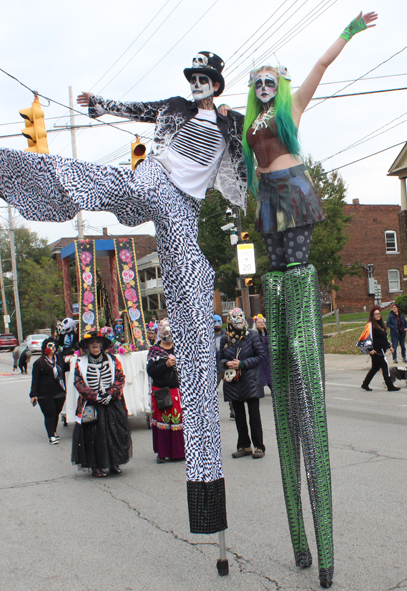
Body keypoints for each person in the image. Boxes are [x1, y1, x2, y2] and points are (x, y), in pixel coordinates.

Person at [0, 50, 247, 534]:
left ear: (216, 84)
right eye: (192, 77)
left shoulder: (232, 124)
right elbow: (140, 110)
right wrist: (100, 104)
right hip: (152, 177)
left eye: (204, 78)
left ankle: (205, 486)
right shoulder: (174, 106)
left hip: (182, 204)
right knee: (106, 181)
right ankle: (4, 172)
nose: (196, 84)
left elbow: (261, 139)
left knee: (189, 286)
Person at [222, 12, 377, 588]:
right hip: (273, 227)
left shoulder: (289, 111)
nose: (265, 87)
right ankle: (301, 543)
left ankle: (325, 549)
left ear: (278, 86)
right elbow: (199, 118)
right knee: (281, 269)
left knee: (295, 272)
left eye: (271, 80)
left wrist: (351, 30)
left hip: (294, 198)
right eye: (257, 81)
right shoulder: (246, 126)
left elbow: (319, 65)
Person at [71, 331, 131, 477]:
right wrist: (94, 396)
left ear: (103, 345)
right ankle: (96, 466)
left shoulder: (113, 360)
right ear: (87, 346)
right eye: (91, 342)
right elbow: (78, 383)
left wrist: (111, 394)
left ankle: (114, 462)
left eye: (97, 342)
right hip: (92, 405)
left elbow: (120, 378)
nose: (95, 344)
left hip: (112, 403)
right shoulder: (81, 362)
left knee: (115, 433)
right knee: (94, 437)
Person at [218, 308, 265, 459]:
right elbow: (219, 359)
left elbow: (260, 356)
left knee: (254, 415)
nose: (238, 319)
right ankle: (244, 445)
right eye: (235, 317)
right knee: (239, 416)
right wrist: (227, 364)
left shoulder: (252, 335)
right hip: (233, 381)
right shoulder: (225, 338)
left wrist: (243, 364)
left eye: (240, 316)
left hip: (250, 380)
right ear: (229, 320)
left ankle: (259, 446)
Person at [147, 320, 185, 464]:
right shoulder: (154, 351)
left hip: (177, 390)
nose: (168, 335)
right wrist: (166, 365)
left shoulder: (180, 349)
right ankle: (162, 453)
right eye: (165, 332)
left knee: (177, 420)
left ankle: (178, 452)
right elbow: (151, 371)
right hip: (161, 391)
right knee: (162, 421)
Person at [30, 338, 66, 444]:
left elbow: (66, 368)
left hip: (59, 392)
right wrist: (33, 394)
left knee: (56, 412)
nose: (53, 348)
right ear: (45, 348)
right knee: (49, 414)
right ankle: (51, 436)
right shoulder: (39, 363)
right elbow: (35, 379)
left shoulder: (59, 358)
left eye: (54, 345)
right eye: (50, 346)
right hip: (44, 394)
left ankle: (53, 431)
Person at [361, 307, 401, 392]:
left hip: (381, 349)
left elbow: (384, 338)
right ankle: (390, 386)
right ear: (372, 315)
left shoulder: (380, 325)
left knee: (375, 368)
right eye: (376, 314)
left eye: (379, 314)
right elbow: (365, 338)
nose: (378, 315)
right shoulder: (370, 325)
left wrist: (389, 346)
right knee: (385, 366)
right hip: (376, 351)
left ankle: (365, 384)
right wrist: (369, 349)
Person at [253, 314, 271, 391]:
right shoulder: (254, 334)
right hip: (260, 356)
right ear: (256, 324)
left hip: (268, 355)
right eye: (259, 322)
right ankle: (259, 390)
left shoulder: (268, 333)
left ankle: (272, 389)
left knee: (269, 372)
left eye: (262, 322)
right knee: (261, 373)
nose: (261, 324)